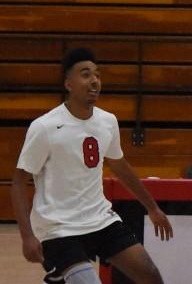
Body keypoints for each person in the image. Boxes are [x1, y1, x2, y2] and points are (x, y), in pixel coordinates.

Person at [10, 48, 173, 284]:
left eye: (97, 74)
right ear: (68, 83)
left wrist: (153, 208)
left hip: (100, 220)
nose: (94, 81)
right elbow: (17, 182)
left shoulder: (107, 122)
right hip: (59, 228)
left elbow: (119, 166)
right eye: (85, 74)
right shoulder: (45, 127)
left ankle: (61, 277)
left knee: (150, 276)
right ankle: (62, 272)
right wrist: (27, 236)